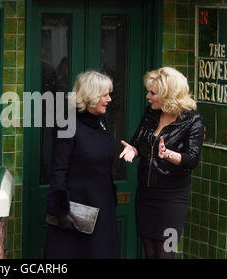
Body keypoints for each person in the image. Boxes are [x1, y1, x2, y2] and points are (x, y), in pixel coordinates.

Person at [119, 67, 204, 259]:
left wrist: (168, 154)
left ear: (168, 94)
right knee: (150, 252)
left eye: (153, 93)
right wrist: (132, 149)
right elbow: (138, 141)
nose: (148, 96)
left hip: (173, 200)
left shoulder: (192, 120)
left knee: (166, 252)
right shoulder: (152, 112)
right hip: (146, 196)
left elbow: (192, 159)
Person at [44, 71, 120, 259]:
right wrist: (61, 211)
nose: (109, 99)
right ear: (90, 95)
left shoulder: (101, 122)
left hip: (103, 205)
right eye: (105, 95)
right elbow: (58, 170)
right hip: (76, 213)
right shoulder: (67, 124)